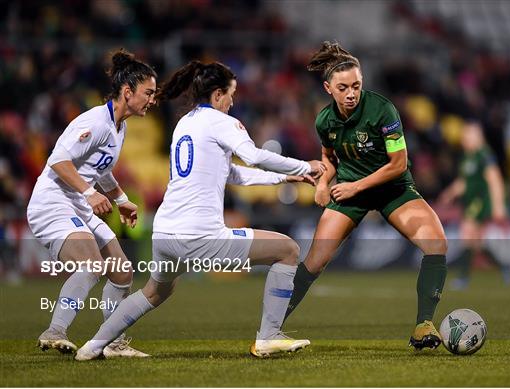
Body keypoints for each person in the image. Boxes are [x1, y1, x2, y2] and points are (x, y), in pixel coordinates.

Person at [74, 60, 326, 361]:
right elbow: (253, 155)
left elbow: (231, 173)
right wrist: (304, 165)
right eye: (231, 94)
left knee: (156, 291)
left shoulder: (186, 122)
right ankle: (268, 337)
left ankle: (92, 346)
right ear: (218, 94)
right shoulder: (221, 122)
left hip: (165, 233)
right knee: (287, 249)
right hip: (199, 236)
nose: (233, 102)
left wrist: (284, 177)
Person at [281, 41, 448, 350]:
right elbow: (328, 157)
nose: (351, 93)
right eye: (343, 87)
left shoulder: (383, 110)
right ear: (328, 88)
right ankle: (271, 328)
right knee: (314, 262)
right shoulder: (324, 121)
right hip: (350, 193)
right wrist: (321, 183)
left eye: (356, 85)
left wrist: (355, 186)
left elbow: (397, 164)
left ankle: (424, 325)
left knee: (436, 242)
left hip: (391, 189)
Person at [27, 50, 157, 357]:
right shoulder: (96, 122)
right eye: (148, 93)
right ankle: (55, 330)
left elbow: (101, 169)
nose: (152, 100)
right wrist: (89, 193)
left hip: (76, 202)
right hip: (53, 201)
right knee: (92, 265)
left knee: (122, 271)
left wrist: (121, 199)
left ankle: (113, 342)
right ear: (128, 92)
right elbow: (58, 160)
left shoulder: (119, 127)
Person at [439, 121, 510, 289]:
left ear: (478, 136)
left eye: (468, 135)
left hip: (481, 201)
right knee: (477, 243)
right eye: (464, 135)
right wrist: (449, 194)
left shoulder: (484, 155)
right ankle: (504, 267)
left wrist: (498, 206)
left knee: (467, 234)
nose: (464, 138)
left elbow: (495, 180)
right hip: (471, 202)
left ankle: (463, 278)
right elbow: (464, 182)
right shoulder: (467, 157)